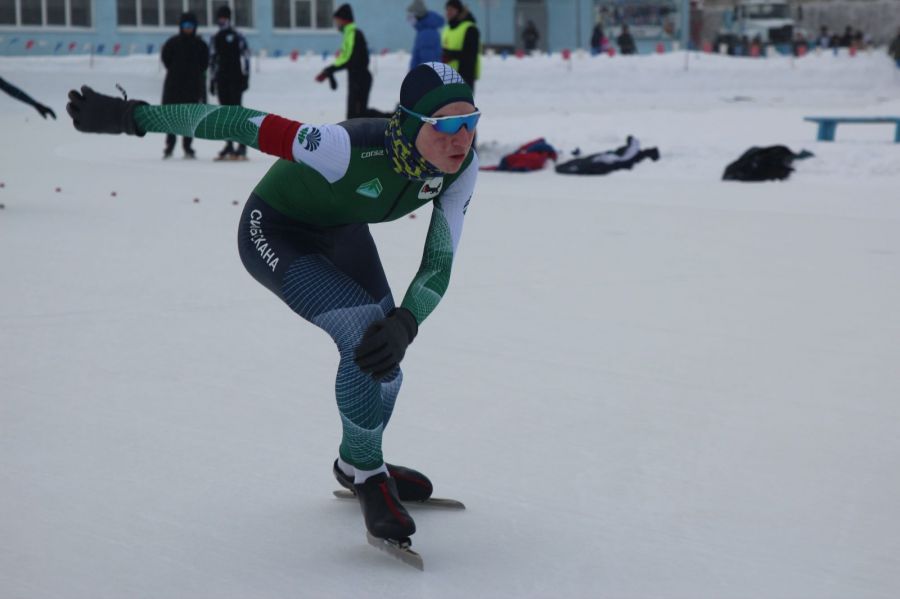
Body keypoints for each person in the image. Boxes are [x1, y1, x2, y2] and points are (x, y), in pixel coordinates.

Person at [65, 61, 480, 545]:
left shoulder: (460, 170)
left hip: (342, 230)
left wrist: (407, 322)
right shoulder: (341, 148)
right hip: (276, 231)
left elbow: (439, 261)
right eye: (446, 125)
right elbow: (239, 122)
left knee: (388, 362)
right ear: (409, 123)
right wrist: (131, 117)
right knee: (367, 335)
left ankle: (355, 460)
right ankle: (369, 475)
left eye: (471, 123)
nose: (462, 139)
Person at [316, 4, 391, 119]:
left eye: (338, 21)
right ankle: (391, 118)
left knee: (358, 116)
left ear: (344, 20)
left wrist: (330, 70)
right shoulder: (348, 34)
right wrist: (329, 70)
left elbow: (352, 60)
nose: (337, 25)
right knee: (355, 116)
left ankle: (392, 117)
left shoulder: (354, 34)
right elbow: (344, 58)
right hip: (356, 78)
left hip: (360, 79)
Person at [160, 12, 209, 159]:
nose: (188, 28)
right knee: (171, 116)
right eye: (185, 25)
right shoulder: (172, 43)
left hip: (193, 88)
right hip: (173, 86)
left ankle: (187, 146)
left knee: (189, 118)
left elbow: (204, 65)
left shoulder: (200, 45)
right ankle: (170, 145)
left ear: (195, 27)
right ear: (181, 26)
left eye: (191, 26)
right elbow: (166, 60)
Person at [209, 5, 250, 160]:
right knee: (224, 113)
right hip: (221, 79)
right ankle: (229, 145)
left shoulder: (237, 35)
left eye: (224, 18)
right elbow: (212, 60)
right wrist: (212, 81)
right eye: (220, 18)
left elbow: (246, 56)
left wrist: (246, 77)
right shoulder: (215, 37)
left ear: (229, 18)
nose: (222, 21)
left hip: (236, 78)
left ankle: (242, 145)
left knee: (237, 112)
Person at [442, 0, 480, 93]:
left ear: (458, 11)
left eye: (451, 10)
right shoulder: (447, 29)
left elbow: (470, 54)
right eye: (447, 10)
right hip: (447, 76)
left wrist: (450, 55)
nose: (448, 13)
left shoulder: (470, 28)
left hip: (464, 76)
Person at [408, 0, 444, 69]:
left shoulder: (427, 34)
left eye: (411, 16)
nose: (409, 19)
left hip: (425, 75)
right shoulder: (423, 31)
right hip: (423, 74)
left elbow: (428, 61)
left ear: (418, 15)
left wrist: (416, 75)